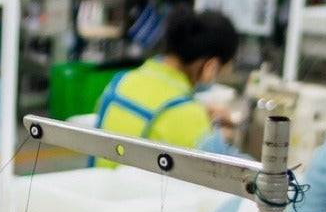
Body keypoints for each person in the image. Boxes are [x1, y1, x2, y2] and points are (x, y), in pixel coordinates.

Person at [94, 9, 240, 151]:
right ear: (211, 67)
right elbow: (230, 165)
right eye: (220, 73)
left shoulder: (121, 82)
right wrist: (220, 137)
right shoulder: (187, 115)